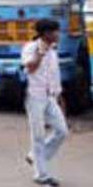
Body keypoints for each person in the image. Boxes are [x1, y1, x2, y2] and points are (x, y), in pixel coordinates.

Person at [21, 19, 68, 186]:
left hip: (50, 97)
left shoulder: (53, 50)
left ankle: (35, 157)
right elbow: (30, 67)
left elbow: (54, 76)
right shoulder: (31, 48)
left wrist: (60, 97)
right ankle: (41, 175)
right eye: (56, 31)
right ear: (46, 33)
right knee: (38, 136)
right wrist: (40, 53)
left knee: (62, 131)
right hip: (34, 96)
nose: (58, 34)